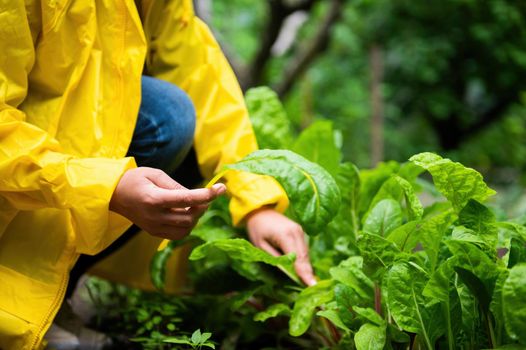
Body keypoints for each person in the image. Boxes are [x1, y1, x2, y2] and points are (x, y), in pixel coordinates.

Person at [0, 0, 315, 348]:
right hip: (19, 162)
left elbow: (202, 78)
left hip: (56, 152)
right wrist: (106, 186)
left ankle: (55, 302)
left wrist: (258, 204)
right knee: (167, 118)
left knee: (176, 119)